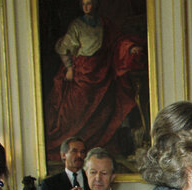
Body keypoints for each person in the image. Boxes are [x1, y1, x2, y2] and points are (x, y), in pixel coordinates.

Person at [44, 0, 145, 160]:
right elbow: (65, 48)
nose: (86, 7)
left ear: (95, 5)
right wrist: (69, 68)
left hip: (102, 69)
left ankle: (99, 147)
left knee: (104, 110)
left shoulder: (104, 24)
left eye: (89, 3)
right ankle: (76, 152)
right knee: (74, 110)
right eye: (84, 4)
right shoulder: (77, 25)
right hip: (81, 71)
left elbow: (118, 41)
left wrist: (130, 48)